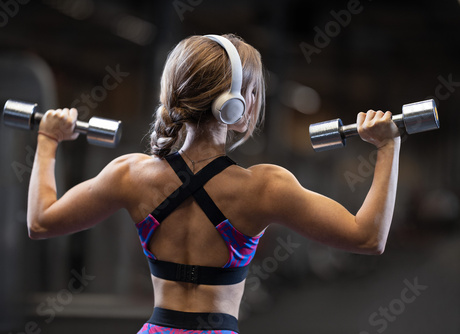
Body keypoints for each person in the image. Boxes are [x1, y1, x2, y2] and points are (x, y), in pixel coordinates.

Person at [27, 34, 401, 334]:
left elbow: (41, 222)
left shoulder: (128, 174)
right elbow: (367, 238)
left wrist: (48, 140)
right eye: (254, 93)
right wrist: (387, 145)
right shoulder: (267, 187)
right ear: (235, 104)